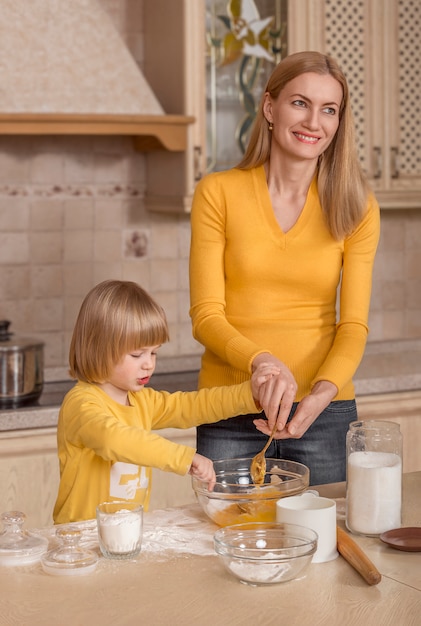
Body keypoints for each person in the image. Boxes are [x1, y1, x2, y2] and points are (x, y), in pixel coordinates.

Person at [189, 51, 380, 485]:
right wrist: (262, 364)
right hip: (229, 407)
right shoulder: (218, 193)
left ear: (338, 122)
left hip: (324, 414)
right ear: (270, 107)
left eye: (328, 109)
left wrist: (321, 394)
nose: (314, 121)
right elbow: (205, 316)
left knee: (329, 543)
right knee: (227, 542)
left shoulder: (358, 207)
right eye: (300, 103)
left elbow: (352, 325)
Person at [53, 280, 279, 524]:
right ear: (98, 349)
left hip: (128, 533)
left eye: (154, 353)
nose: (149, 363)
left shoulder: (141, 400)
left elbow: (191, 406)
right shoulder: (81, 404)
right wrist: (184, 457)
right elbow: (113, 438)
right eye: (137, 354)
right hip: (80, 539)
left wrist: (250, 394)